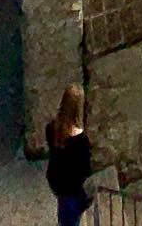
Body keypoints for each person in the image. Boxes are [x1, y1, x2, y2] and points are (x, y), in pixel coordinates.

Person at [45, 84, 92, 226]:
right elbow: (85, 171)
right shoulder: (81, 141)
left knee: (63, 218)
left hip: (59, 185)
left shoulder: (52, 128)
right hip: (73, 192)